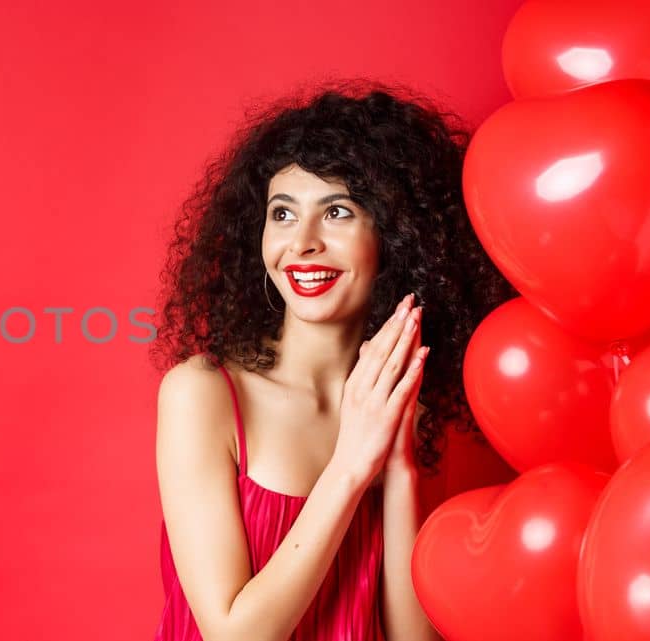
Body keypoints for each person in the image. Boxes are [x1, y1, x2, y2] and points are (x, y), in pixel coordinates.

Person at [147, 82, 515, 641]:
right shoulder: (204, 393)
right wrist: (350, 465)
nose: (302, 243)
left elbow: (411, 637)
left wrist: (397, 468)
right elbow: (234, 635)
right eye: (283, 214)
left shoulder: (403, 406)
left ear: (395, 238)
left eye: (338, 211)